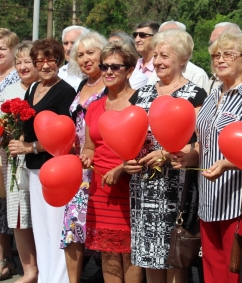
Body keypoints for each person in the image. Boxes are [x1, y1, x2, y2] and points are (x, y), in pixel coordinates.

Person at [170, 31, 242, 283]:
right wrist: (191, 157)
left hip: (238, 201)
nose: (220, 60)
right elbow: (204, 142)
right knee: (212, 271)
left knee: (234, 272)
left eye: (228, 54)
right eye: (216, 55)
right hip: (208, 199)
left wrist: (227, 164)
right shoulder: (214, 94)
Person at [124, 29, 207, 283]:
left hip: (176, 188)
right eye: (156, 55)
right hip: (144, 186)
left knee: (174, 254)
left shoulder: (195, 95)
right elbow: (127, 134)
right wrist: (126, 161)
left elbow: (202, 143)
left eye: (165, 56)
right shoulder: (141, 94)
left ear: (182, 59)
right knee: (149, 254)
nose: (158, 61)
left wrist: (167, 152)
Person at [8, 38, 76, 283]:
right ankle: (46, 278)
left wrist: (29, 147)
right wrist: (17, 140)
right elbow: (28, 126)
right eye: (40, 60)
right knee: (41, 230)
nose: (45, 65)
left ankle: (58, 280)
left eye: (50, 60)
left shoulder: (66, 91)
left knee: (56, 229)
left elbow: (65, 137)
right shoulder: (32, 88)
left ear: (58, 61)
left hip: (56, 169)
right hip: (34, 169)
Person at [80, 40, 143, 283]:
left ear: (130, 69)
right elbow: (90, 146)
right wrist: (86, 157)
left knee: (130, 252)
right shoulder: (94, 107)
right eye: (104, 66)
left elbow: (147, 148)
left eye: (115, 67)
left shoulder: (140, 103)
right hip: (101, 190)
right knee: (108, 251)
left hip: (130, 188)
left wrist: (120, 169)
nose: (108, 72)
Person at [60, 32, 107, 283]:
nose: (86, 59)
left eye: (91, 52)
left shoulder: (113, 85)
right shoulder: (81, 86)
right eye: (81, 55)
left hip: (103, 165)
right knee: (73, 228)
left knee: (105, 228)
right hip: (77, 167)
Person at [0, 41, 39, 283]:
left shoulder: (44, 89)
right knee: (18, 216)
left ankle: (45, 267)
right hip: (11, 160)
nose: (23, 66)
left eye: (28, 61)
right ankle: (29, 271)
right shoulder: (8, 90)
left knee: (39, 216)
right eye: (20, 62)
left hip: (38, 158)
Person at [0, 28, 20, 279]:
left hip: (8, 151)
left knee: (4, 207)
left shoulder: (17, 79)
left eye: (2, 48)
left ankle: (6, 259)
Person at [158, 21, 209, 89]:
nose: (164, 40)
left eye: (171, 36)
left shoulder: (197, 75)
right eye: (161, 36)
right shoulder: (155, 71)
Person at [59, 26, 90, 91]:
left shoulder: (90, 74)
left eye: (73, 43)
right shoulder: (59, 73)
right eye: (65, 43)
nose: (68, 48)